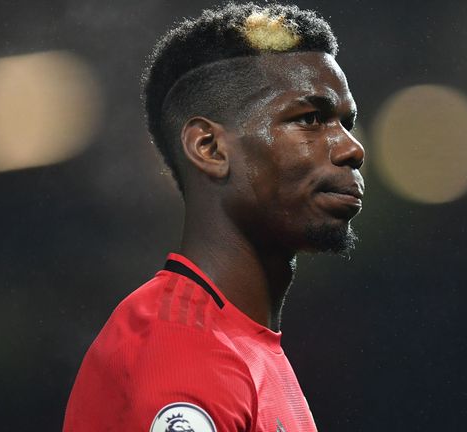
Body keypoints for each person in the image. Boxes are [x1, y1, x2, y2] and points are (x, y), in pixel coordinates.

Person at [62, 2, 365, 431]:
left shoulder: (242, 343)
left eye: (346, 122)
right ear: (210, 148)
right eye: (310, 119)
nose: (351, 148)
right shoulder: (179, 348)